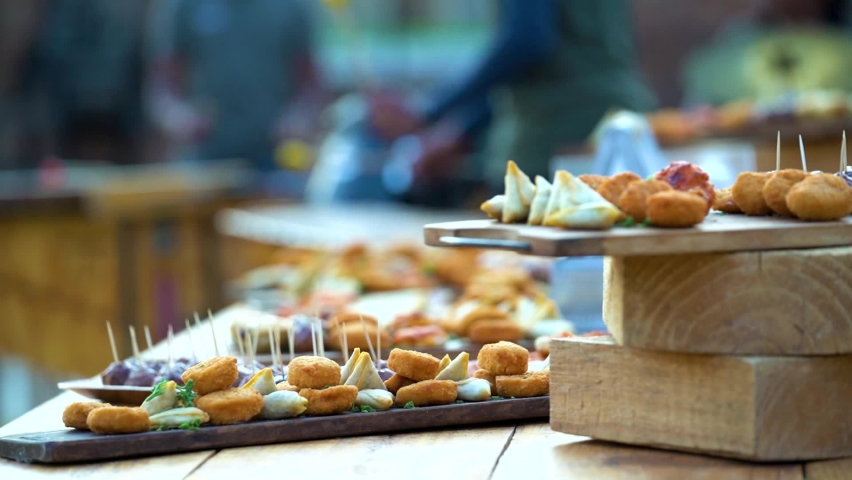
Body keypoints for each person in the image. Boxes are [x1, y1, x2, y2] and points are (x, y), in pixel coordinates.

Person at [369, 0, 657, 194]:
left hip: (555, 140)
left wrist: (426, 109)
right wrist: (462, 129)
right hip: (622, 125)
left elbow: (526, 42)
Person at [147, 0, 327, 174]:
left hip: (275, 157)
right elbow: (162, 84)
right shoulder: (184, 5)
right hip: (205, 156)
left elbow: (312, 82)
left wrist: (300, 117)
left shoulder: (291, 6)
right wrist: (178, 117)